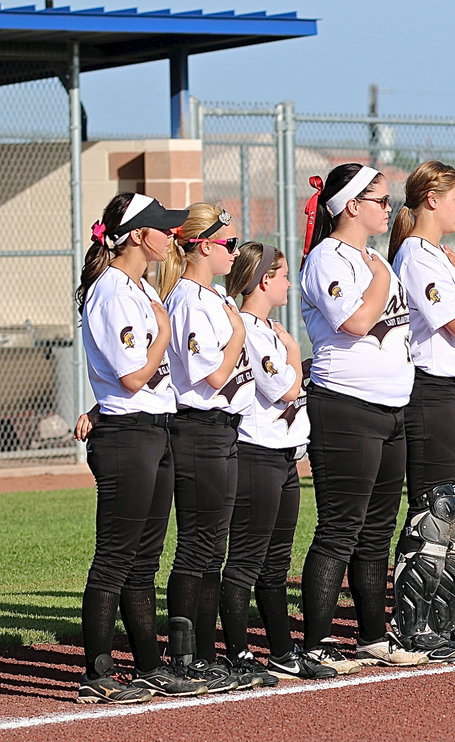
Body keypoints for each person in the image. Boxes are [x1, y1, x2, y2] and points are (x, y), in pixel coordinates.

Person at [74, 193, 207, 703]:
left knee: (143, 560)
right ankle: (97, 673)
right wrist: (165, 334)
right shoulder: (112, 291)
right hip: (127, 434)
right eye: (160, 227)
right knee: (114, 556)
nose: (170, 234)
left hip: (154, 429)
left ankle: (149, 665)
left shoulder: (137, 284)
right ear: (135, 235)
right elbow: (132, 376)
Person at [298, 163, 428, 674]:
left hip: (390, 407)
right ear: (350, 206)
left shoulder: (372, 258)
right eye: (378, 199)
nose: (388, 207)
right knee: (339, 530)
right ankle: (315, 643)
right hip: (346, 407)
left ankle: (373, 636)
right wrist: (378, 278)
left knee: (377, 531)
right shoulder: (329, 258)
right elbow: (354, 321)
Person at [387, 161, 455, 662]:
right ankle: (414, 623)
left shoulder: (436, 253)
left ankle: (443, 618)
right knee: (432, 512)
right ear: (431, 199)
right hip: (434, 390)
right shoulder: (418, 256)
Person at [220, 242, 334, 682]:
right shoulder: (250, 328)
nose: (289, 282)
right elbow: (284, 389)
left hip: (283, 456)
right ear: (265, 280)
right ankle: (236, 653)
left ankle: (283, 651)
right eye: (283, 274)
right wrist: (292, 354)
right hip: (256, 453)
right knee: (247, 561)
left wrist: (289, 356)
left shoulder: (267, 327)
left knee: (275, 565)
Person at [159, 202, 255, 693]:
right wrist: (238, 333)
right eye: (228, 244)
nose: (234, 252)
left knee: (213, 545)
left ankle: (204, 652)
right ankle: (182, 655)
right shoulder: (188, 300)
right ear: (201, 246)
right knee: (198, 545)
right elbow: (214, 374)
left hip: (222, 427)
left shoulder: (213, 296)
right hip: (196, 428)